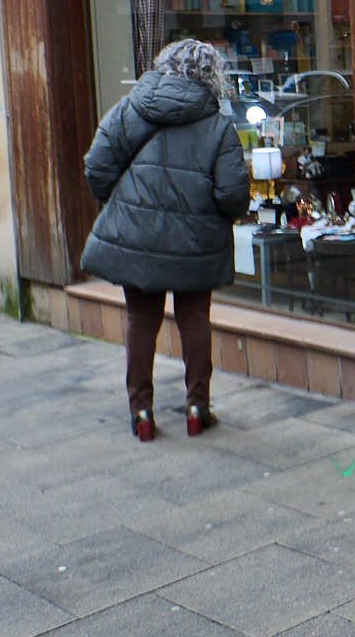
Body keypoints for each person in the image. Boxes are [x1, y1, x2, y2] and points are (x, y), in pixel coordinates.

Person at [81, 39, 250, 442]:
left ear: (163, 67)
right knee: (194, 320)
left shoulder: (130, 108)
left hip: (137, 237)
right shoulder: (217, 125)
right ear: (212, 75)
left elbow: (96, 165)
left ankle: (142, 413)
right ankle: (197, 407)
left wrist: (125, 204)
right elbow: (232, 194)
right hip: (196, 240)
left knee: (141, 322)